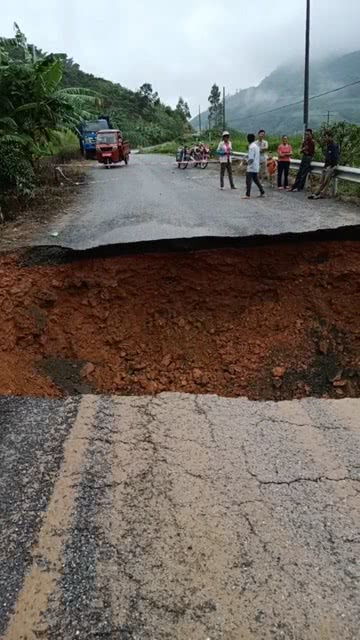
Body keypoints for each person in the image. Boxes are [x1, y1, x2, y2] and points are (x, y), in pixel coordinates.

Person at [308, 131, 340, 199]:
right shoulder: (328, 145)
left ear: (330, 137)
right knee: (322, 181)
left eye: (326, 137)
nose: (325, 138)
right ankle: (317, 193)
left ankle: (320, 194)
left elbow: (335, 157)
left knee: (326, 181)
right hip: (326, 166)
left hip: (331, 166)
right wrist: (325, 166)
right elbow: (328, 157)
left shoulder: (334, 145)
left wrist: (333, 166)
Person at [243, 133, 265, 198]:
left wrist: (246, 163)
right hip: (256, 166)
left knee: (248, 180)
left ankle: (248, 194)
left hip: (251, 167)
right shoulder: (256, 146)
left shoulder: (251, 147)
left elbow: (251, 159)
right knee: (256, 180)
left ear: (248, 139)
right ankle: (262, 191)